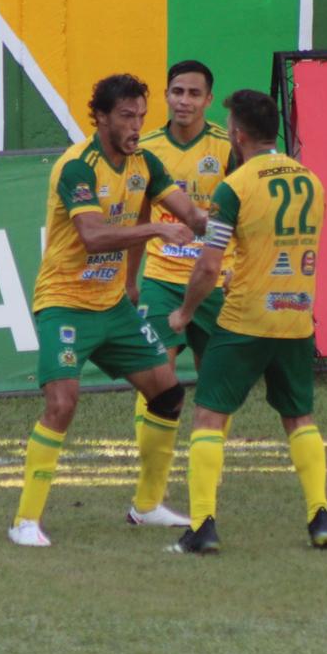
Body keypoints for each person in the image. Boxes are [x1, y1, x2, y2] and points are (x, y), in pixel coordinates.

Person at [10, 73, 208, 547]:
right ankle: (25, 521)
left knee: (167, 395)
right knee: (62, 404)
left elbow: (194, 216)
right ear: (99, 117)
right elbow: (93, 236)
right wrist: (154, 232)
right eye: (125, 116)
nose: (136, 125)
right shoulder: (78, 167)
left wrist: (231, 218)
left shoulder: (144, 163)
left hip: (112, 306)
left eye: (141, 115)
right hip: (65, 304)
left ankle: (146, 506)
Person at [167, 89, 327, 554]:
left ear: (237, 134)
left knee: (209, 416)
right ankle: (319, 515)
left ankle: (202, 525)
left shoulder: (235, 186)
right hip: (297, 317)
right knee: (298, 416)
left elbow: (207, 264)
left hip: (245, 318)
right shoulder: (312, 181)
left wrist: (183, 312)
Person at [122, 60, 237, 527]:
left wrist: (241, 272)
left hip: (218, 280)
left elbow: (248, 217)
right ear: (166, 96)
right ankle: (149, 492)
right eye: (176, 92)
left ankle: (203, 485)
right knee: (157, 379)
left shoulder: (229, 148)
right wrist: (131, 280)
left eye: (194, 93)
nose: (184, 101)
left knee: (218, 387)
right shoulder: (146, 149)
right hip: (163, 277)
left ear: (209, 100)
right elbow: (135, 220)